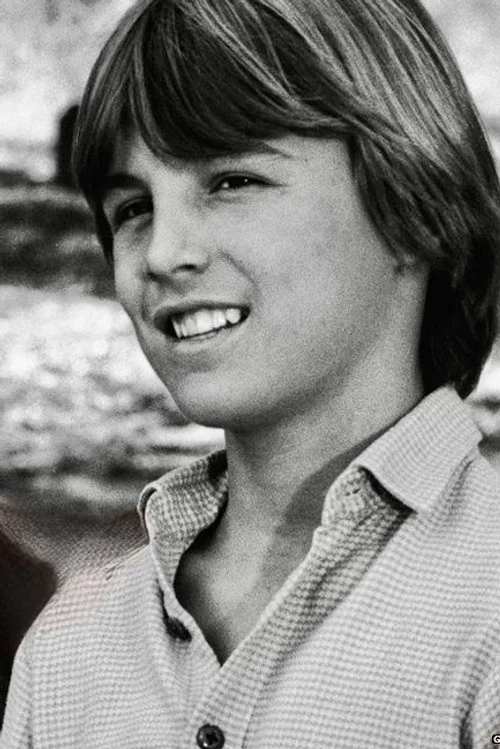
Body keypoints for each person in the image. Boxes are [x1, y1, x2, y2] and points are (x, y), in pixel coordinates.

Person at [2, 0, 500, 746]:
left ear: (410, 205)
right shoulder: (69, 651)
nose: (163, 253)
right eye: (132, 207)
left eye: (231, 181)